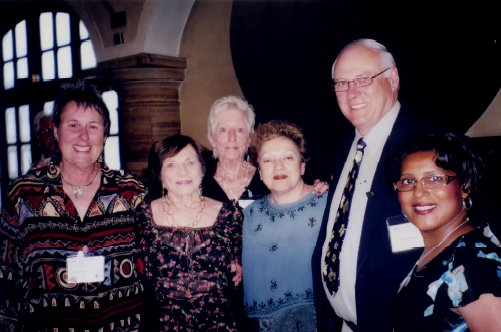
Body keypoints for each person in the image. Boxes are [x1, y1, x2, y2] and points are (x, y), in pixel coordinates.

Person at [313, 38, 448, 332]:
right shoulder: (343, 150)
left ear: (393, 78)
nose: (352, 92)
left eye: (363, 78)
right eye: (342, 82)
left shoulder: (431, 147)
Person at [0, 81, 147, 331]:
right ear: (56, 132)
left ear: (105, 133)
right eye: (73, 125)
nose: (84, 137)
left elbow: (161, 260)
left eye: (93, 126)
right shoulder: (24, 195)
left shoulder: (132, 193)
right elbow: (6, 280)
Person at [389, 132, 501, 331]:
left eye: (433, 179)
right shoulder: (438, 248)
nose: (418, 192)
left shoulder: (476, 265)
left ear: (464, 186)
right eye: (407, 181)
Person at [136, 134, 243, 331]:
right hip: (162, 325)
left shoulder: (230, 215)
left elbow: (243, 262)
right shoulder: (143, 215)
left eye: (190, 162)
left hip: (220, 325)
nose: (182, 171)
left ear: (202, 169)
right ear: (160, 174)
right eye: (171, 164)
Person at [243, 120, 327, 331]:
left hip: (314, 319)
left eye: (288, 157)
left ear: (302, 165)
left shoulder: (329, 204)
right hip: (259, 324)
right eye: (268, 160)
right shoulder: (248, 215)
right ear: (260, 172)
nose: (278, 166)